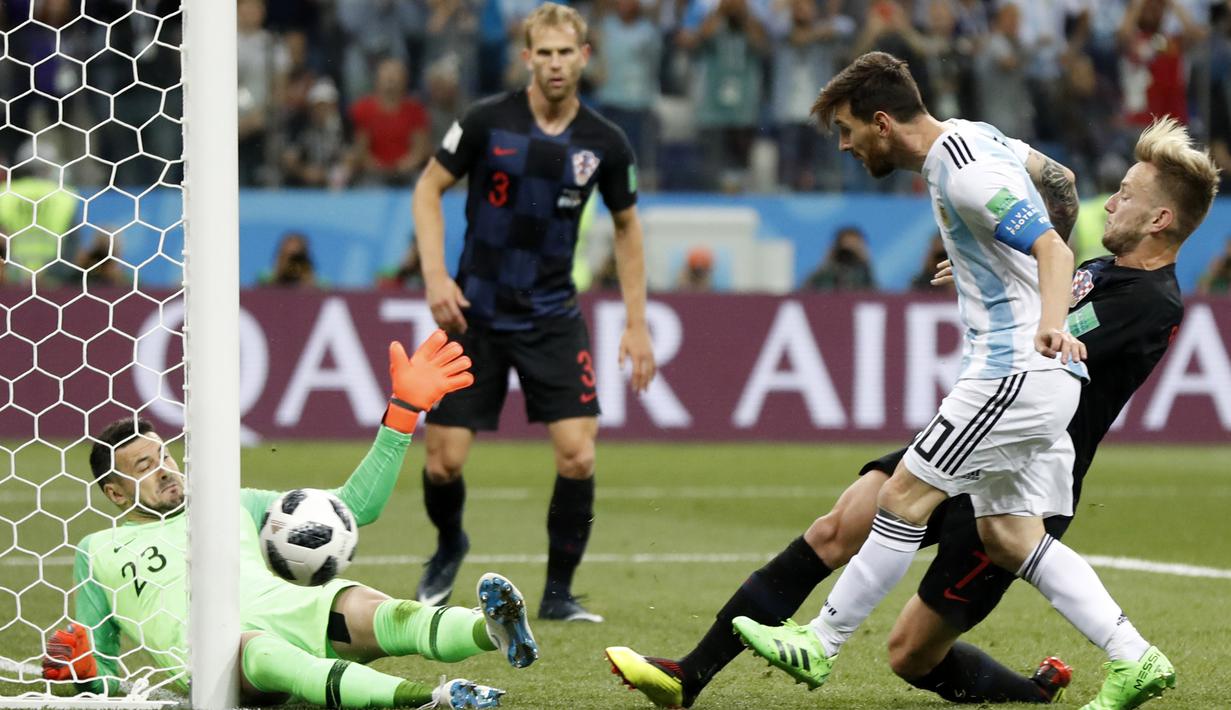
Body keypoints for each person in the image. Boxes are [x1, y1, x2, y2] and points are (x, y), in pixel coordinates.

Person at [608, 54, 1186, 710]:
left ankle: (822, 642)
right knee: (901, 526)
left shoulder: (963, 173)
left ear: (882, 122)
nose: (845, 145)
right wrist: (997, 268)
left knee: (904, 538)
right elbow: (1057, 176)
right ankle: (692, 675)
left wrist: (1044, 315)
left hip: (1013, 385)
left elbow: (1051, 250)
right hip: (1022, 394)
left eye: (848, 130)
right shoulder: (977, 137)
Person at [42, 331, 538, 709]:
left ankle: (489, 630)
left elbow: (353, 508)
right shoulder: (96, 549)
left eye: (165, 457)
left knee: (369, 607)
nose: (166, 471)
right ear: (113, 492)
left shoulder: (227, 503)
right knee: (266, 654)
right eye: (144, 468)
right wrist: (82, 675)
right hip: (214, 654)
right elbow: (102, 673)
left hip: (286, 607)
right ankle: (430, 698)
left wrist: (403, 413)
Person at [410, 2, 657, 623]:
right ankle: (448, 544)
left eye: (564, 52)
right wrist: (437, 276)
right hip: (474, 315)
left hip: (551, 316)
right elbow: (427, 190)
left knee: (578, 454)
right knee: (443, 463)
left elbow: (628, 229)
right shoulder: (485, 121)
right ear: (527, 58)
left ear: (584, 57)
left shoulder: (605, 142)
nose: (554, 63)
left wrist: (636, 322)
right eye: (542, 53)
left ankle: (558, 594)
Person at [800, 225, 876, 291]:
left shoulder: (864, 275)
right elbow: (804, 295)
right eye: (845, 245)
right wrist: (826, 261)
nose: (848, 253)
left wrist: (867, 261)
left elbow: (877, 297)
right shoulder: (825, 273)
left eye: (853, 245)